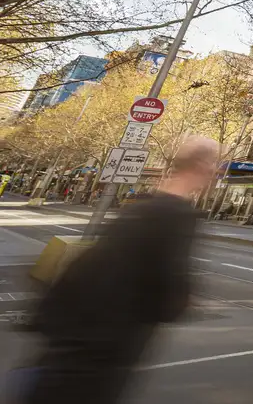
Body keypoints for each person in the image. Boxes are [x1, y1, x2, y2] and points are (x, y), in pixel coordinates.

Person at [16, 136, 219, 404]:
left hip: (72, 336)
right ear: (201, 166)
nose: (215, 170)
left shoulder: (139, 206)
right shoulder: (177, 216)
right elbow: (170, 299)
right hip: (106, 348)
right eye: (213, 162)